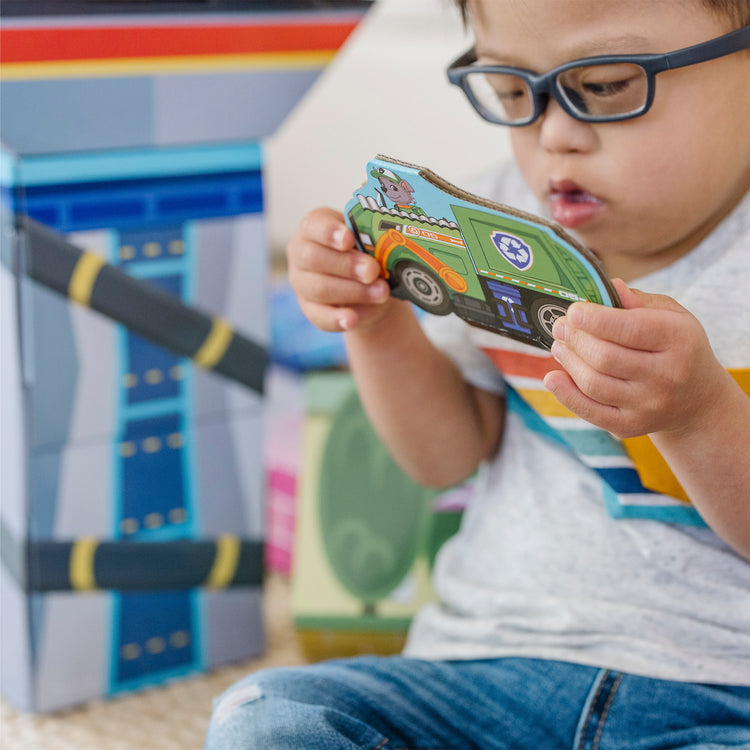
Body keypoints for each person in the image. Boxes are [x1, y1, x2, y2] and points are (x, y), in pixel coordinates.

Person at [205, 1, 750, 747]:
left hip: (725, 693)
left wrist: (700, 415)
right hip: (485, 668)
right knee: (269, 717)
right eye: (514, 93)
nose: (554, 134)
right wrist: (375, 320)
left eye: (610, 86)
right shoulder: (492, 233)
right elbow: (446, 456)